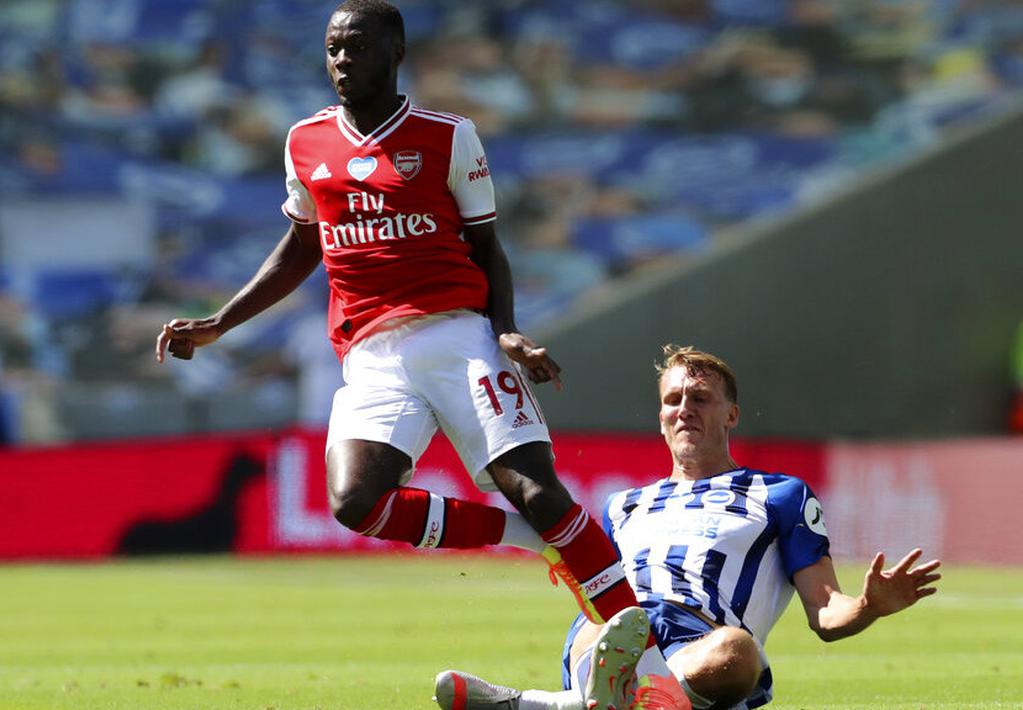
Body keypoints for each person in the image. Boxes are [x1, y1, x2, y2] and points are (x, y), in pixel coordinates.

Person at [154, 0, 659, 646]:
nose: (342, 60)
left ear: (395, 53)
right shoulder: (304, 141)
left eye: (357, 47)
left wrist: (504, 329)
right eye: (334, 48)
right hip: (369, 352)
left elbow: (486, 245)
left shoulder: (447, 135)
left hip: (455, 334)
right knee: (355, 502)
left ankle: (652, 654)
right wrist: (220, 322)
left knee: (537, 490)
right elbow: (302, 244)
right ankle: (528, 541)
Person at [434, 345, 942, 710]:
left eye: (700, 398)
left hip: (704, 645)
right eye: (673, 399)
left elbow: (825, 611)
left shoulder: (781, 494)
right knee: (601, 622)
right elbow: (590, 587)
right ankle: (630, 700)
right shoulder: (620, 505)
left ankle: (555, 705)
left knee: (740, 650)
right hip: (619, 638)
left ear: (731, 415)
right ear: (660, 418)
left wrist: (869, 606)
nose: (684, 409)